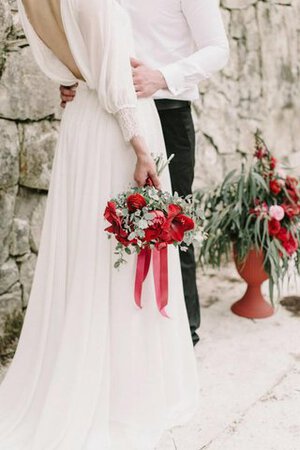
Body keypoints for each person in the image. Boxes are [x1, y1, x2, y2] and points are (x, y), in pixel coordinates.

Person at [0, 0, 199, 448]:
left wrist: (75, 80)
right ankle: (121, 393)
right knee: (115, 256)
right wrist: (142, 149)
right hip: (116, 132)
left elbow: (69, 64)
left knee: (86, 254)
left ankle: (87, 370)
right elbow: (115, 83)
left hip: (81, 125)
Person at [61, 0, 230, 345]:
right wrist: (75, 80)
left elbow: (218, 49)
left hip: (166, 111)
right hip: (108, 118)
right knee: (111, 229)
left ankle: (184, 333)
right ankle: (125, 337)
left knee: (172, 223)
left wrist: (163, 76)